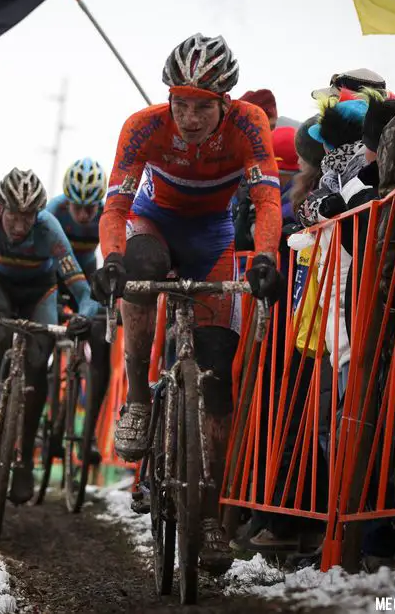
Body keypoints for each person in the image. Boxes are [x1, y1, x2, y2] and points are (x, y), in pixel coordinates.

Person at [91, 33, 284, 573]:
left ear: (226, 102)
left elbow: (268, 198)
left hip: (213, 241)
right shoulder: (143, 126)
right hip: (155, 224)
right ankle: (139, 399)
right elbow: (115, 207)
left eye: (203, 106)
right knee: (141, 268)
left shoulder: (249, 124)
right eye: (181, 103)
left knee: (218, 377)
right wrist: (111, 259)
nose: (190, 117)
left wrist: (265, 256)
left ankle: (208, 517)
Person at [0, 168, 99, 505]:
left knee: (38, 359)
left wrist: (83, 317)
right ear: (0, 209)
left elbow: (83, 290)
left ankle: (23, 463)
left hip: (39, 293)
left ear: (39, 214)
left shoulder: (49, 229)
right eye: (14, 217)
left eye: (28, 217)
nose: (20, 226)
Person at [46, 158, 111, 463]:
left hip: (84, 275)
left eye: (91, 208)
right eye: (78, 208)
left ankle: (89, 435)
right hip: (50, 275)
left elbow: (114, 254)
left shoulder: (107, 213)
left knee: (102, 346)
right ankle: (49, 421)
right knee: (43, 339)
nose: (85, 215)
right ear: (67, 201)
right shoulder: (53, 212)